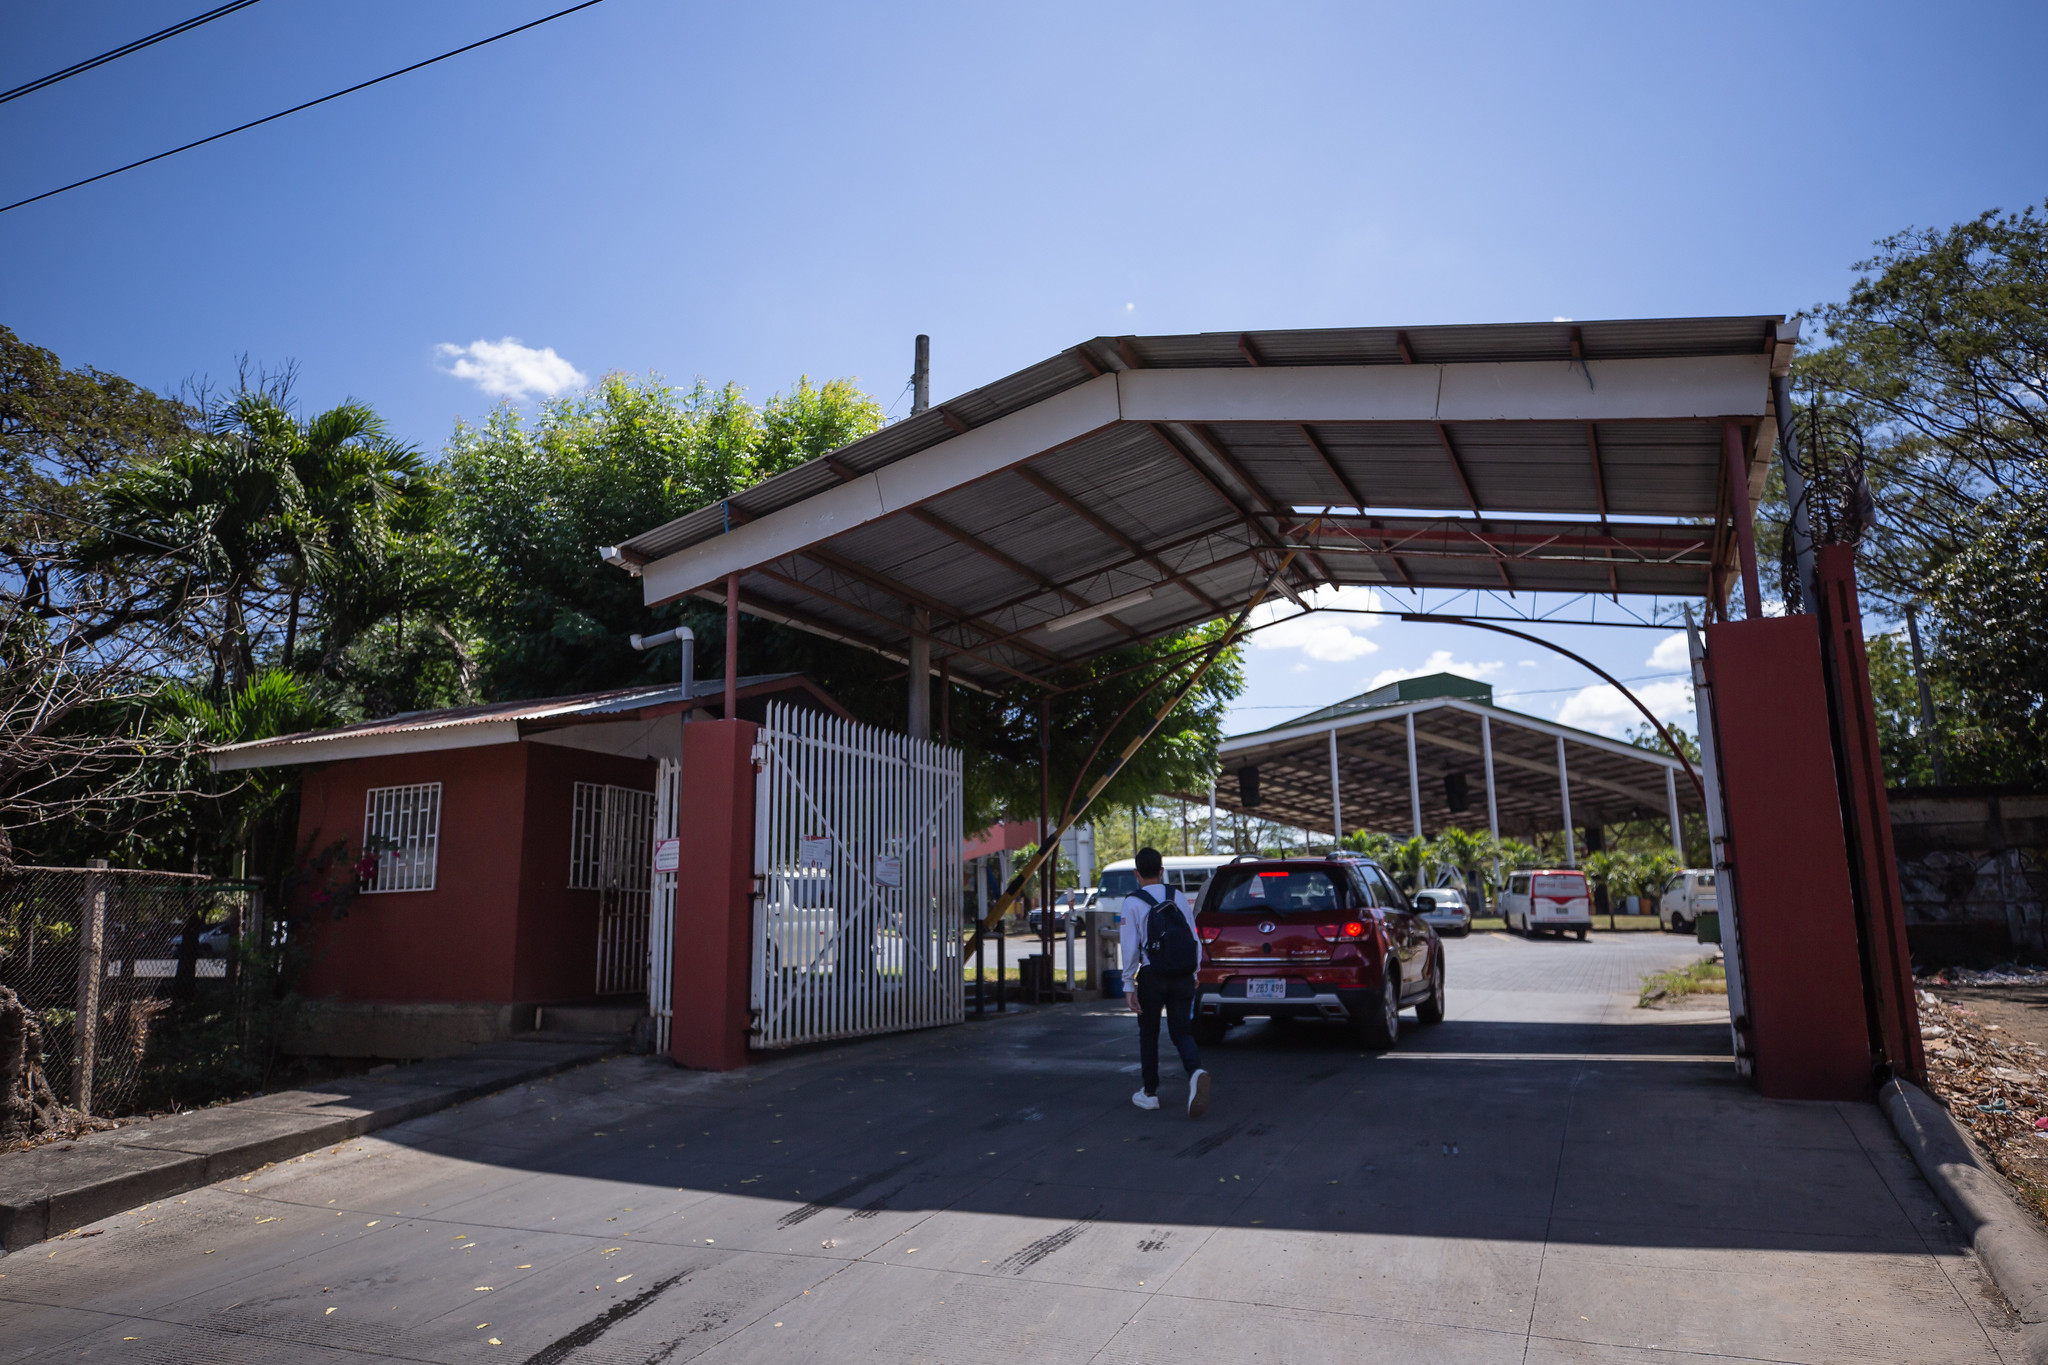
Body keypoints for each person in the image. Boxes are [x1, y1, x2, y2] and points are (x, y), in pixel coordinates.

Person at [1120, 846, 1211, 1117]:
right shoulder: (1178, 896)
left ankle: (1149, 1093)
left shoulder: (1133, 902)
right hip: (1182, 975)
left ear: (1136, 873)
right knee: (1181, 1031)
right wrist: (1194, 973)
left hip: (1152, 975)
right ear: (1161, 871)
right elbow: (1193, 937)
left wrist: (1128, 985)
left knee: (1148, 1033)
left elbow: (1129, 948)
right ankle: (1195, 1072)